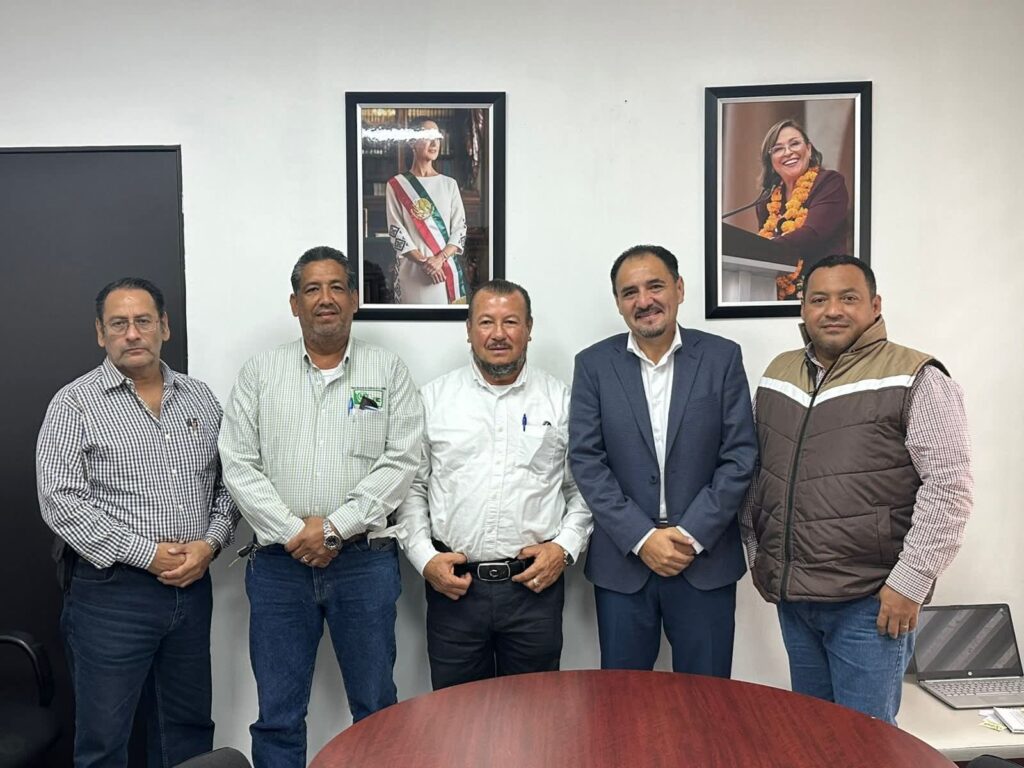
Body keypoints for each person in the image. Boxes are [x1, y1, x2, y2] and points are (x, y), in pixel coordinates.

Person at [740, 254, 973, 724]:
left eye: (848, 298)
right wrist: (759, 553)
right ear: (803, 307)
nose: (833, 310)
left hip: (870, 605)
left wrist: (909, 584)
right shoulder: (779, 372)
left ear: (874, 305)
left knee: (866, 744)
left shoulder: (916, 376)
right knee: (813, 735)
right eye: (819, 299)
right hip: (796, 598)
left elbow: (949, 488)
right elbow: (757, 470)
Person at [218, 246, 423, 767]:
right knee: (279, 715)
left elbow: (402, 460)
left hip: (364, 564)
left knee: (376, 707)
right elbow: (238, 464)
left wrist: (333, 528)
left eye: (336, 287)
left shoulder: (387, 371)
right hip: (279, 568)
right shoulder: (260, 374)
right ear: (295, 304)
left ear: (354, 299)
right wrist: (295, 532)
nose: (325, 299)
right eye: (312, 289)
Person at [36, 277, 239, 768]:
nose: (132, 333)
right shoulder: (75, 403)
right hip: (112, 594)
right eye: (118, 324)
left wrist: (210, 545)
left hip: (191, 588)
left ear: (164, 326)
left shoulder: (200, 398)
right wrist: (146, 554)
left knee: (188, 729)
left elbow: (231, 482)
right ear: (100, 334)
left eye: (143, 321)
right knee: (105, 741)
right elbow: (60, 499)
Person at [568, 245, 757, 676]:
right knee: (624, 700)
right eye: (629, 292)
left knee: (707, 699)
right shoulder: (593, 365)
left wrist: (690, 534)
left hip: (704, 561)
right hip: (624, 564)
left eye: (655, 286)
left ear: (679, 289)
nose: (644, 301)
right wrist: (641, 537)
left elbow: (740, 455)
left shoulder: (722, 357)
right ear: (618, 303)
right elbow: (587, 460)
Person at [396, 279, 592, 690]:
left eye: (511, 322)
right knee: (456, 718)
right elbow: (413, 489)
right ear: (469, 329)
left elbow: (582, 489)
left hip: (534, 590)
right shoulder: (433, 400)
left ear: (529, 328)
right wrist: (424, 559)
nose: (498, 334)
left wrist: (563, 549)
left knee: (535, 716)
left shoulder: (561, 401)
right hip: (454, 589)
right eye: (486, 322)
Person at [754, 119, 850, 299]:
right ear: (771, 160)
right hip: (778, 295)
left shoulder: (829, 183)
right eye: (778, 148)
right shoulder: (767, 200)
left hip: (823, 292)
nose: (788, 152)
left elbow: (813, 233)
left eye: (794, 144)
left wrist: (761, 247)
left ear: (809, 149)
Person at [385, 116, 468, 305]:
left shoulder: (449, 185)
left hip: (445, 270)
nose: (434, 143)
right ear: (411, 142)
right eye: (428, 136)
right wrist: (424, 262)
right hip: (413, 273)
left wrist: (439, 260)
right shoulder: (396, 185)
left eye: (437, 137)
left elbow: (460, 229)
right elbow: (397, 232)